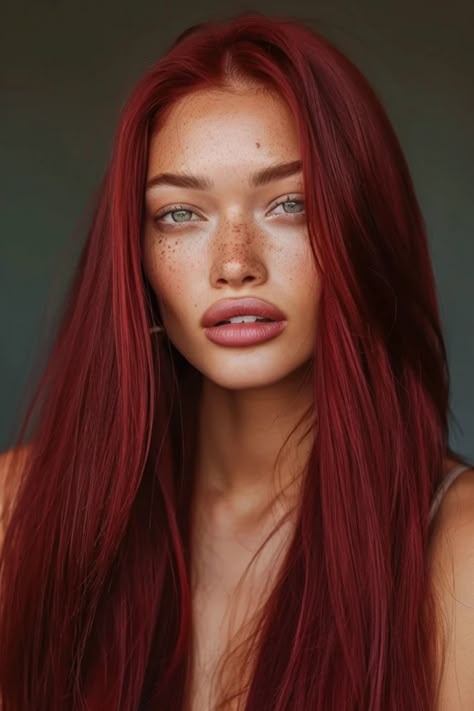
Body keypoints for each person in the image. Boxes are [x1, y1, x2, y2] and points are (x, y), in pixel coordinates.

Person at [0, 12, 473, 711]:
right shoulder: (18, 510)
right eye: (180, 214)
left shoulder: (456, 552)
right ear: (136, 258)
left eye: (289, 204)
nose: (234, 264)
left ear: (361, 226)